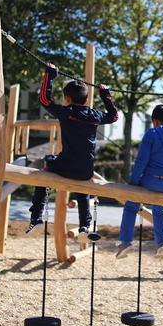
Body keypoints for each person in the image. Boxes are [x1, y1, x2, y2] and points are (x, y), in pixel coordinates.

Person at [26, 63, 118, 243]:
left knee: (44, 173)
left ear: (66, 99)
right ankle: (85, 226)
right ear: (86, 101)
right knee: (83, 191)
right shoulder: (95, 116)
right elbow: (114, 116)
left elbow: (44, 100)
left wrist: (50, 75)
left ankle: (36, 217)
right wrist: (105, 95)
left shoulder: (66, 112)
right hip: (85, 170)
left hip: (65, 166)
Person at [116, 105, 163, 259]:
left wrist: (133, 183)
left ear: (154, 121)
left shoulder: (152, 133)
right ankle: (162, 243)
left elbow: (141, 161)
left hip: (149, 181)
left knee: (131, 205)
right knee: (159, 206)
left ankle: (125, 242)